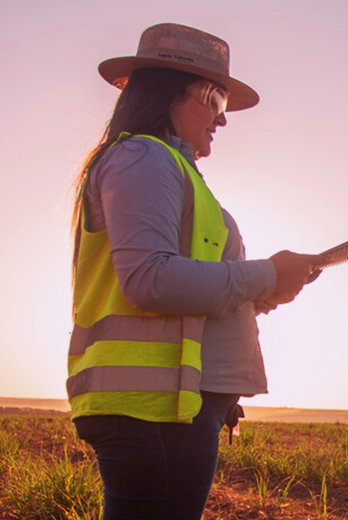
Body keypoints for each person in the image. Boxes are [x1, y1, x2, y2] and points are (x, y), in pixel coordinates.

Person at [66, 23, 322, 519]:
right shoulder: (144, 158)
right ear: (169, 94)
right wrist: (266, 275)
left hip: (168, 407)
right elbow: (151, 282)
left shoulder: (170, 168)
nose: (222, 121)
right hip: (155, 408)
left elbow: (183, 286)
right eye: (215, 101)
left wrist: (263, 293)